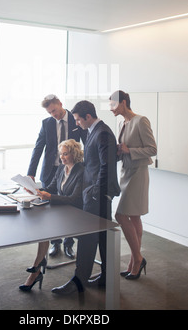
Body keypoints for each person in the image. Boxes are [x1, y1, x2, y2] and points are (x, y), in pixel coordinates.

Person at [51, 100, 120, 295]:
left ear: (88, 117)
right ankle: (106, 277)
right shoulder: (93, 132)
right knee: (103, 238)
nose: (77, 124)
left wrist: (96, 192)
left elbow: (107, 166)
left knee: (88, 238)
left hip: (97, 195)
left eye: (78, 120)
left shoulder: (103, 132)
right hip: (95, 193)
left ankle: (79, 280)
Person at [19, 139, 84, 292]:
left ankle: (36, 270)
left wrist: (49, 197)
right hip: (62, 212)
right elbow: (51, 188)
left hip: (76, 215)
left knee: (44, 228)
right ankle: (36, 269)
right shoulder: (61, 169)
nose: (62, 157)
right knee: (42, 228)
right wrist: (36, 191)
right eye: (61, 154)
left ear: (74, 154)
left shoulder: (82, 170)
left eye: (65, 154)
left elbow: (75, 199)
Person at [27, 94, 86, 259]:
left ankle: (68, 245)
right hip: (51, 170)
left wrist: (86, 168)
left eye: (54, 110)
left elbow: (86, 143)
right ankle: (55, 243)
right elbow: (38, 148)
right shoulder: (47, 123)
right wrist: (31, 173)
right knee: (51, 207)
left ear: (60, 104)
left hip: (72, 168)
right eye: (50, 113)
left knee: (70, 207)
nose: (53, 115)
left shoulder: (76, 120)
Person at [109, 90, 157, 280]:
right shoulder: (121, 123)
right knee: (134, 217)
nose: (111, 108)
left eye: (113, 104)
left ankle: (137, 258)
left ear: (123, 102)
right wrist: (120, 152)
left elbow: (152, 149)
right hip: (126, 172)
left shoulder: (140, 120)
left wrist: (129, 150)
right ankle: (133, 260)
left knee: (120, 215)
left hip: (138, 173)